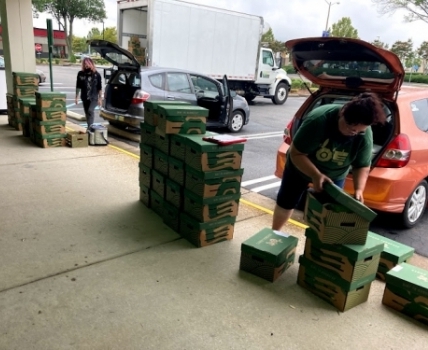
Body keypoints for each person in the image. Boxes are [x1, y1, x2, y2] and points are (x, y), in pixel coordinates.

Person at [272, 92, 386, 231]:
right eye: (351, 128)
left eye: (359, 131)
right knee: (286, 202)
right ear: (342, 114)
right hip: (300, 168)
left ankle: (320, 247)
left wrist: (359, 189)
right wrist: (315, 175)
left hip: (334, 176)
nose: (354, 133)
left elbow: (362, 165)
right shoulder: (318, 120)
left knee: (329, 212)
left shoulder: (364, 134)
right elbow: (297, 154)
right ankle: (275, 234)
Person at [75, 57, 102, 130]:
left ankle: (90, 127)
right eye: (85, 64)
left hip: (94, 97)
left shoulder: (97, 75)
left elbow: (99, 87)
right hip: (84, 97)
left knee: (90, 110)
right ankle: (89, 128)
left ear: (91, 64)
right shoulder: (81, 74)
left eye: (88, 64)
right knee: (87, 113)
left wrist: (100, 99)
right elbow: (78, 86)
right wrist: (76, 97)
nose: (86, 65)